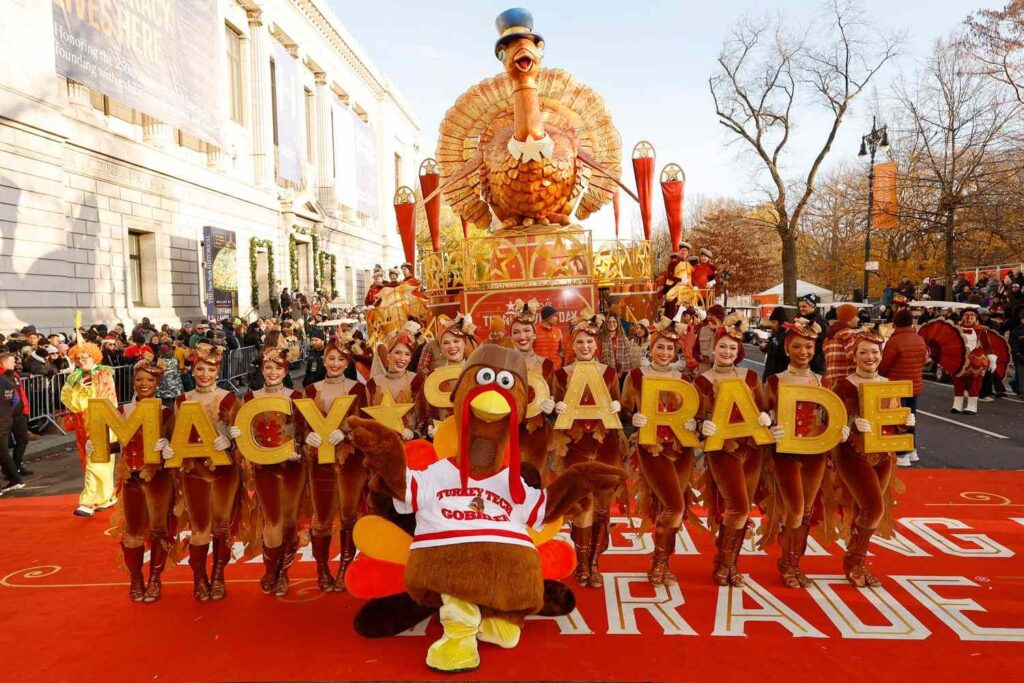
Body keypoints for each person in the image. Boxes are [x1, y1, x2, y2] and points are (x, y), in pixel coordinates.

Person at [761, 318, 848, 588]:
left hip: (815, 453)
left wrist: (842, 428)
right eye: (797, 346)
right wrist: (768, 425)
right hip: (785, 453)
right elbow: (762, 413)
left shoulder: (823, 382)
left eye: (809, 347)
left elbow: (831, 415)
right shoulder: (774, 381)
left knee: (807, 511)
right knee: (795, 510)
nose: (803, 352)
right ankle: (787, 563)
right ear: (787, 349)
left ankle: (793, 562)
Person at [831, 325, 915, 587]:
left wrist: (905, 422)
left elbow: (894, 423)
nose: (870, 357)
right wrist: (852, 422)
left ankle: (856, 561)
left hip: (883, 454)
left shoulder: (888, 385)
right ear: (854, 356)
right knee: (874, 508)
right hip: (853, 453)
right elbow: (827, 417)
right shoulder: (843, 385)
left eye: (875, 352)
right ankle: (854, 562)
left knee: (865, 510)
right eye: (864, 352)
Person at [166, 344, 245, 601]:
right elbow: (175, 435)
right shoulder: (181, 400)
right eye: (200, 369)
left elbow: (242, 437)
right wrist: (167, 446)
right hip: (193, 469)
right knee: (199, 528)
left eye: (210, 370)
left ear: (218, 372)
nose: (205, 375)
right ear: (192, 370)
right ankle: (199, 578)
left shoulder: (230, 399)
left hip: (224, 470)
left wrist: (231, 441)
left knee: (221, 526)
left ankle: (218, 576)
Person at [695, 314, 769, 587]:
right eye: (723, 346)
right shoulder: (702, 381)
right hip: (722, 450)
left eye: (732, 348)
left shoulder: (750, 377)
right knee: (737, 507)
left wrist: (767, 418)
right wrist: (701, 426)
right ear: (714, 347)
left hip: (752, 449)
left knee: (744, 509)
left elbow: (764, 407)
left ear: (739, 352)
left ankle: (730, 563)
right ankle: (725, 563)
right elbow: (694, 417)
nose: (727, 352)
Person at [551, 312, 623, 589]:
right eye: (580, 341)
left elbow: (620, 408)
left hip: (605, 445)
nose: (585, 346)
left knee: (602, 507)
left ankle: (595, 562)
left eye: (589, 342)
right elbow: (555, 409)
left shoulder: (609, 373)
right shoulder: (561, 375)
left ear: (597, 345)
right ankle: (582, 563)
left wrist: (619, 407)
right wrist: (554, 408)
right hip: (575, 445)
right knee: (582, 504)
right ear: (572, 344)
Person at [620, 319, 695, 585]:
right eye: (660, 347)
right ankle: (658, 563)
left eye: (670, 348)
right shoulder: (636, 376)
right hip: (651, 448)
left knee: (674, 507)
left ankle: (664, 564)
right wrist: (632, 418)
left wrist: (694, 422)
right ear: (650, 348)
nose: (664, 352)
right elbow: (624, 408)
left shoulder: (684, 379)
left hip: (681, 449)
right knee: (675, 505)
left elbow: (696, 410)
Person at [99, 360, 175, 602]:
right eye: (140, 379)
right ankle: (135, 579)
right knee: (132, 532)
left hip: (158, 479)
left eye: (150, 380)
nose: (144, 384)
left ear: (158, 383)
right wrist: (101, 446)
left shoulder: (167, 412)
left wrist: (168, 447)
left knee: (159, 530)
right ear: (133, 381)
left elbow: (178, 445)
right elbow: (122, 444)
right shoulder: (123, 411)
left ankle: (155, 579)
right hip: (130, 478)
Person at [301, 340, 369, 592]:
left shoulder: (358, 389)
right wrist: (307, 437)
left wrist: (348, 435)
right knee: (321, 518)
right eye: (331, 358)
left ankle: (344, 569)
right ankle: (321, 569)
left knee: (349, 516)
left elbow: (365, 425)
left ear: (347, 362)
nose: (336, 364)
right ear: (323, 360)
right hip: (320, 461)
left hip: (351, 461)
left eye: (341, 359)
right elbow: (301, 427)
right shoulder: (310, 390)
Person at [245, 348, 306, 597]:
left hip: (292, 467)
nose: (273, 372)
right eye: (268, 367)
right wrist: (237, 435)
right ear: (262, 369)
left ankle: (284, 572)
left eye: (278, 368)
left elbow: (305, 430)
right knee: (272, 521)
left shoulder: (297, 397)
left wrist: (298, 448)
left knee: (290, 521)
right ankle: (270, 570)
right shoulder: (250, 398)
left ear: (285, 371)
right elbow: (245, 430)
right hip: (264, 468)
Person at [61, 338, 118, 517]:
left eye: (85, 357)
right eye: (78, 358)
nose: (81, 361)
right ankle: (107, 496)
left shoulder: (104, 375)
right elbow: (67, 398)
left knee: (96, 460)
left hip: (102, 421)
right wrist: (78, 393)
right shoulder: (74, 377)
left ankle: (88, 501)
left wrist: (80, 394)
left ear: (94, 357)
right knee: (93, 461)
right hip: (83, 422)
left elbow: (98, 400)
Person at [508, 299, 556, 474]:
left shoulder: (547, 365)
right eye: (516, 332)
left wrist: (552, 406)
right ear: (511, 336)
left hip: (537, 435)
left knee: (536, 480)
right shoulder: (500, 365)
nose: (522, 337)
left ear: (535, 334)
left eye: (527, 331)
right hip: (507, 434)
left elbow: (555, 398)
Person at [878, 309, 928, 466]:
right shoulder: (919, 339)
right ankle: (912, 450)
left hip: (897, 386)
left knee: (898, 419)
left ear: (895, 323)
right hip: (915, 385)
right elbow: (923, 361)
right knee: (911, 417)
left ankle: (901, 453)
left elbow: (885, 366)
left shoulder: (894, 341)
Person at [951, 309, 995, 415]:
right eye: (966, 314)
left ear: (976, 317)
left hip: (975, 360)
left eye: (972, 315)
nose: (969, 317)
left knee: (974, 383)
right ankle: (957, 404)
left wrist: (992, 359)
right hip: (960, 359)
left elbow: (987, 346)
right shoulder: (956, 329)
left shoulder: (981, 329)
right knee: (958, 382)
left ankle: (972, 406)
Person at [0, 353, 28, 493]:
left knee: (3, 452)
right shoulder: (6, 381)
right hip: (6, 419)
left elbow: (17, 400)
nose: (15, 364)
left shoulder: (8, 379)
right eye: (12, 361)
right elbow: (15, 400)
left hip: (5, 419)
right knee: (3, 452)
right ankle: (15, 478)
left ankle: (15, 478)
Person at [822, 304, 861, 388]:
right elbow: (855, 357)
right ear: (849, 317)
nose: (858, 319)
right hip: (846, 381)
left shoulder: (830, 335)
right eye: (856, 316)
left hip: (832, 381)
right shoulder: (847, 333)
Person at [797, 294, 828, 374]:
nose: (801, 309)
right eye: (800, 306)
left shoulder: (820, 321)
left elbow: (823, 337)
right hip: (802, 360)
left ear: (812, 306)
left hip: (816, 363)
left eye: (804, 306)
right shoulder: (801, 318)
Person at [760, 306, 789, 380]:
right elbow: (773, 346)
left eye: (774, 322)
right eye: (772, 323)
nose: (772, 325)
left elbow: (780, 351)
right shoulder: (775, 332)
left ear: (781, 322)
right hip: (770, 370)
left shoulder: (787, 334)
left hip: (780, 372)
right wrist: (765, 348)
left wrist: (766, 347)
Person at [534, 305, 565, 370]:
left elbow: (562, 351)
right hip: (540, 370)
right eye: (555, 316)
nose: (557, 318)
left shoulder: (558, 331)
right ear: (548, 317)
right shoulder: (534, 330)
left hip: (556, 369)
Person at [696, 304, 725, 373]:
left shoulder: (727, 331)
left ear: (719, 317)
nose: (708, 317)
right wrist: (700, 358)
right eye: (708, 315)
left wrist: (727, 364)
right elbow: (695, 349)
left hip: (721, 372)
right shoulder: (702, 330)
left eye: (711, 315)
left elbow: (740, 354)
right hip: (704, 370)